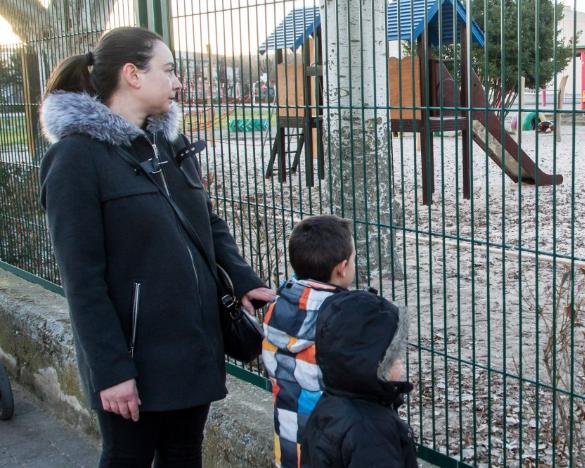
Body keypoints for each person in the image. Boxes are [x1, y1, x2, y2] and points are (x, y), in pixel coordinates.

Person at [38, 27, 276, 467]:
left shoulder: (169, 143)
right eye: (168, 70)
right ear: (132, 74)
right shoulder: (75, 158)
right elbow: (82, 280)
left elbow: (206, 221)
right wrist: (112, 372)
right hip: (131, 358)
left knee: (185, 455)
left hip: (193, 342)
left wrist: (243, 280)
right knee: (128, 458)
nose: (177, 81)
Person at [261, 215, 355, 467]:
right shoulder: (344, 317)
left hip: (290, 445)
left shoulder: (276, 308)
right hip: (333, 447)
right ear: (342, 267)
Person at [301, 287, 418, 468]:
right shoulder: (371, 433)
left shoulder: (331, 402)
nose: (400, 362)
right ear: (372, 362)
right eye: (393, 356)